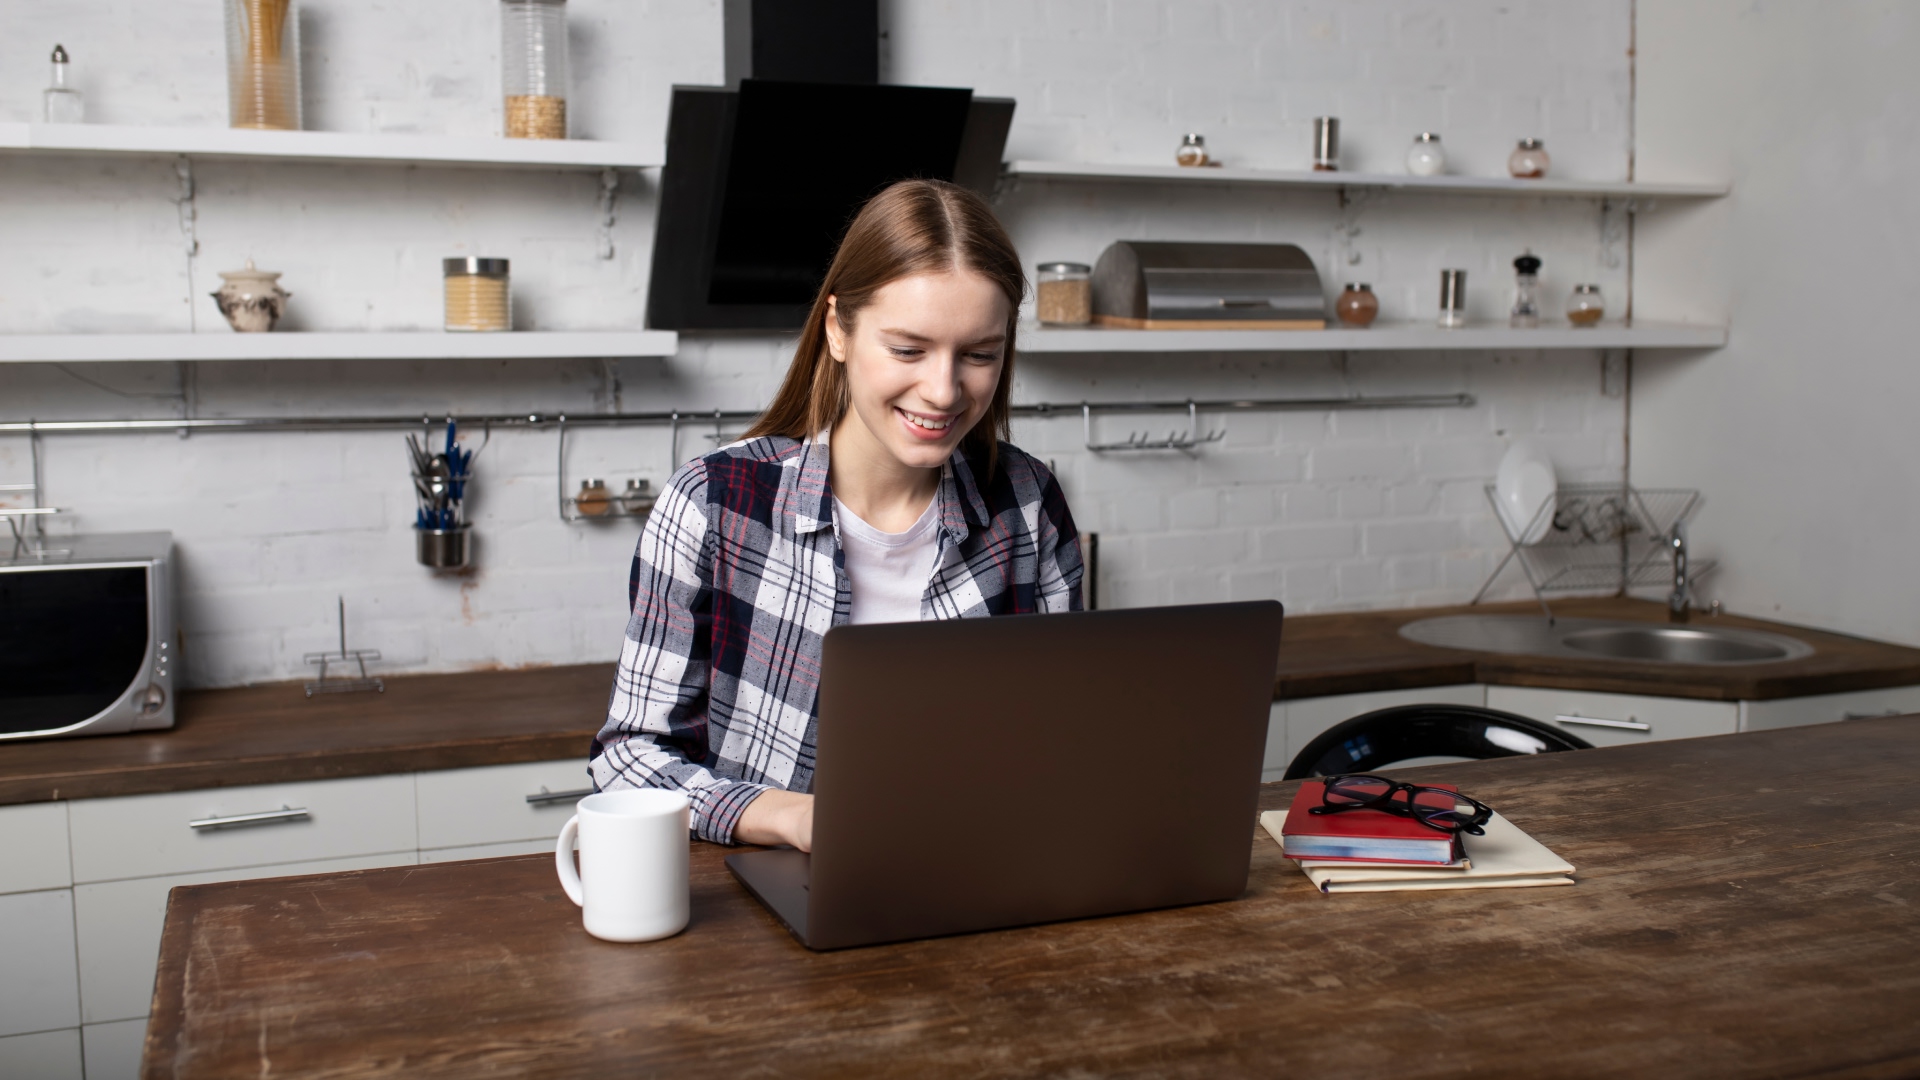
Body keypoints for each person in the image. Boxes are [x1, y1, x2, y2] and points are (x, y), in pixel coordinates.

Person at [590, 179, 1084, 852]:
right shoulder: (712, 503)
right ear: (838, 331)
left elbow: (1064, 741)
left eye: (979, 355)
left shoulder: (1028, 503)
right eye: (908, 350)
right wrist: (792, 818)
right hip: (764, 902)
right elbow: (629, 763)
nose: (943, 390)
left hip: (978, 875)